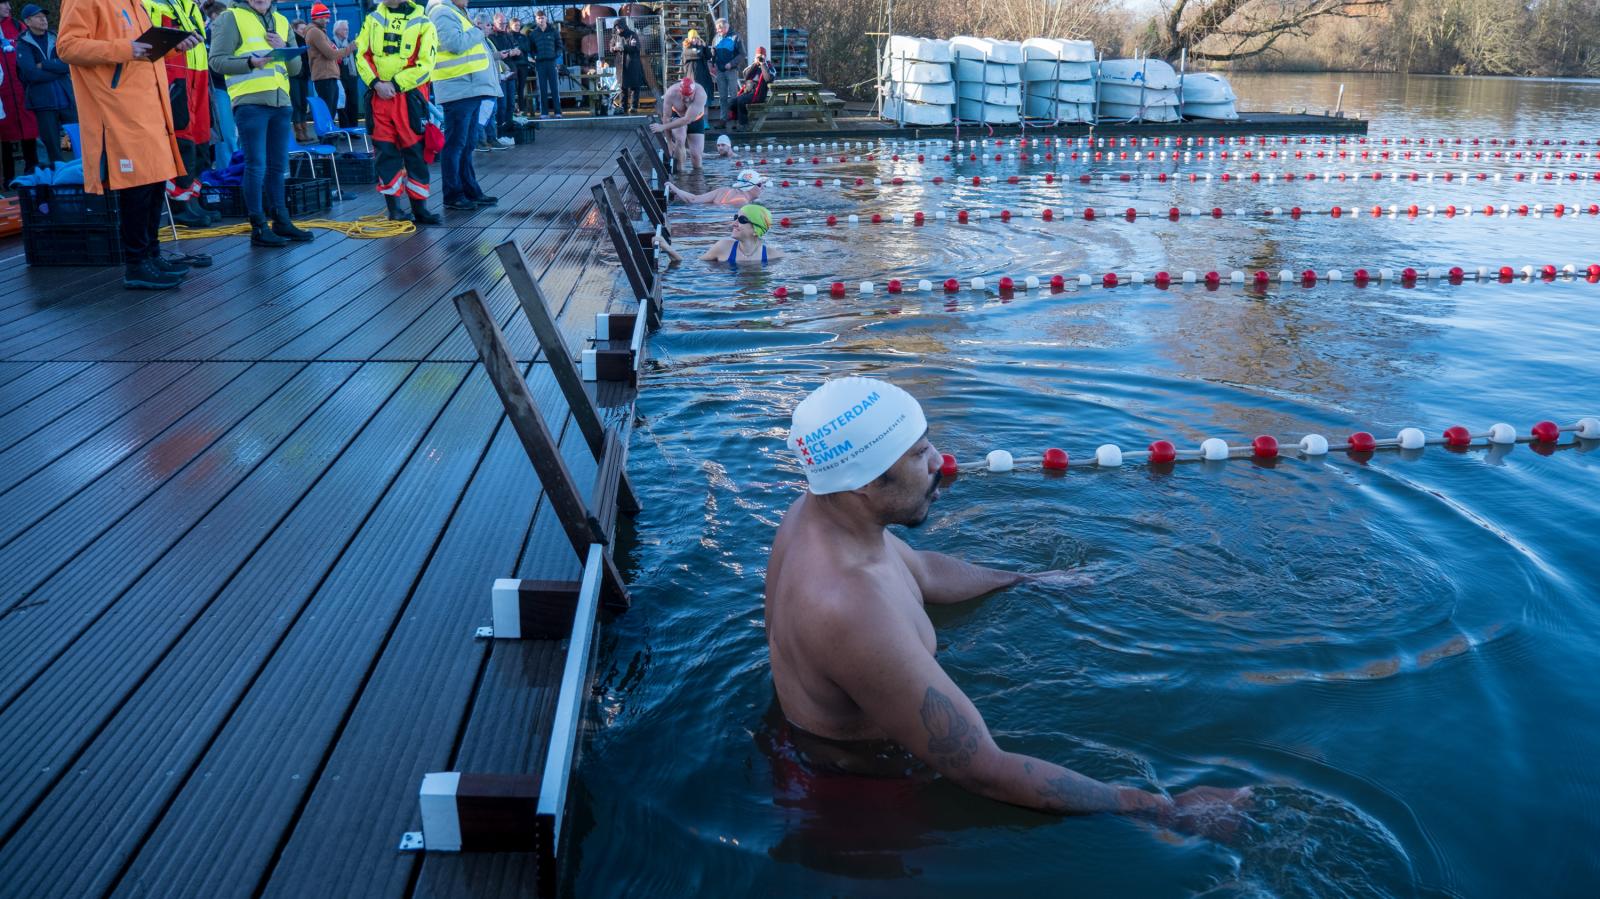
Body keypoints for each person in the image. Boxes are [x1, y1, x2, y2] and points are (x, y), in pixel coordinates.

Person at [765, 377, 1251, 831]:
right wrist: (1162, 810)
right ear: (866, 482)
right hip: (860, 803)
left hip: (818, 747)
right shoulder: (851, 610)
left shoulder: (821, 516)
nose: (938, 462)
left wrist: (1024, 580)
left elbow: (923, 572)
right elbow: (983, 770)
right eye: (918, 454)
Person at [57, 0, 203, 288]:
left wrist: (173, 46)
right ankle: (137, 264)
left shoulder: (134, 2)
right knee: (138, 186)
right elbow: (67, 47)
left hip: (148, 106)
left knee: (155, 181)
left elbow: (143, 47)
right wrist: (125, 48)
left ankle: (151, 256)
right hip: (119, 109)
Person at [210, 0, 314, 246]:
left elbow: (295, 68)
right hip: (250, 103)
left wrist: (284, 46)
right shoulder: (230, 17)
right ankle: (258, 227)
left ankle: (281, 220)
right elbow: (216, 61)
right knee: (256, 166)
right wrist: (250, 62)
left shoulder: (282, 21)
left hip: (281, 102)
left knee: (278, 166)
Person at [357, 0, 439, 224]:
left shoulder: (423, 22)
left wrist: (395, 84)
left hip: (409, 98)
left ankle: (420, 210)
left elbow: (426, 63)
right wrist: (376, 83)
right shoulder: (372, 19)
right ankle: (394, 211)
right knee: (385, 153)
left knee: (415, 153)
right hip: (379, 98)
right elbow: (361, 54)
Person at [142, 0, 212, 225]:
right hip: (174, 70)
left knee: (201, 137)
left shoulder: (187, 4)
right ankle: (179, 204)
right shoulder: (149, 3)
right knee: (181, 137)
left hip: (197, 72)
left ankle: (193, 198)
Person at [426, 0, 496, 211]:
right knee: (456, 144)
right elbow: (454, 44)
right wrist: (478, 32)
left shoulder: (456, 12)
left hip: (468, 87)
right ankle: (453, 194)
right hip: (457, 88)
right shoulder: (441, 12)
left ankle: (470, 190)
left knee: (467, 144)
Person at [14, 4, 72, 171]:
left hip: (67, 98)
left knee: (78, 140)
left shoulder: (56, 37)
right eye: (38, 17)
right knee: (53, 148)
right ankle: (59, 178)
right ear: (28, 21)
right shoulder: (23, 44)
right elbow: (31, 74)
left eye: (44, 16)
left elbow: (69, 64)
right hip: (43, 102)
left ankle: (85, 175)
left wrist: (44, 65)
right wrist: (58, 70)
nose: (43, 20)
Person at [0, 0, 40, 184]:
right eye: (4, 4)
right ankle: (8, 179)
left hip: (22, 89)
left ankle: (33, 173)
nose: (9, 8)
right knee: (4, 136)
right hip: (3, 94)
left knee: (29, 130)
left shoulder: (18, 26)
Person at [302, 3, 351, 132]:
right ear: (317, 17)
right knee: (328, 113)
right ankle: (327, 140)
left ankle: (329, 139)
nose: (328, 21)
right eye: (325, 17)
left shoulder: (318, 32)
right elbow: (331, 54)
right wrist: (349, 48)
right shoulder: (315, 32)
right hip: (325, 77)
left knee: (330, 113)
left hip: (327, 77)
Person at [201, 0, 237, 165]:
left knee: (234, 135)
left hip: (235, 87)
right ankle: (227, 173)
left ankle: (235, 169)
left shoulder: (229, 32)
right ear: (214, 16)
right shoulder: (208, 35)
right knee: (226, 135)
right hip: (220, 89)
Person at [651, 75, 705, 173]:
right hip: (677, 116)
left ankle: (697, 179)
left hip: (695, 119)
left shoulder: (701, 94)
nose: (686, 100)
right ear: (679, 92)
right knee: (680, 139)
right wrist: (669, 141)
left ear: (694, 92)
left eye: (689, 96)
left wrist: (662, 127)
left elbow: (687, 120)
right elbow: (666, 117)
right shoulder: (671, 93)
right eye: (684, 96)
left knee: (696, 156)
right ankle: (681, 174)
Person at [698, 202, 781, 265]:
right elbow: (699, 265)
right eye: (735, 218)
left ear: (756, 230)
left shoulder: (772, 255)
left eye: (742, 220)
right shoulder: (722, 247)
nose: (734, 223)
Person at [725, 45, 774, 131]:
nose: (759, 58)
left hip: (759, 94)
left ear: (765, 57)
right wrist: (755, 64)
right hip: (748, 92)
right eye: (758, 56)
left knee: (741, 101)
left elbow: (768, 79)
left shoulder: (769, 67)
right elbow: (746, 76)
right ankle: (738, 121)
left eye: (761, 56)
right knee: (732, 102)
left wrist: (763, 64)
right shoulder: (753, 66)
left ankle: (743, 125)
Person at [485, 13, 518, 132]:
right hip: (500, 75)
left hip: (511, 73)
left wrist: (516, 52)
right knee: (502, 105)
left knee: (511, 104)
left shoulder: (508, 35)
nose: (503, 25)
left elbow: (517, 50)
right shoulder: (490, 37)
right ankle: (500, 130)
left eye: (505, 23)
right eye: (501, 23)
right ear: (494, 23)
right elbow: (496, 54)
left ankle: (509, 129)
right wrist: (509, 53)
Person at [666, 167, 764, 205]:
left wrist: (676, 189)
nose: (762, 187)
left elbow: (693, 199)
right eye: (759, 185)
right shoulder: (742, 202)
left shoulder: (724, 190)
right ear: (750, 187)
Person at [525, 8, 558, 118]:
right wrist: (534, 56)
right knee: (542, 89)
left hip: (551, 62)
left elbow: (560, 46)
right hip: (540, 64)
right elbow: (531, 49)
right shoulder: (533, 34)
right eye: (539, 18)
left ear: (546, 18)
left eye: (542, 18)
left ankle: (558, 112)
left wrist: (555, 55)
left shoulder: (553, 31)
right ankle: (544, 113)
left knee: (554, 88)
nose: (541, 20)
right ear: (536, 20)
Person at [709, 17, 741, 118]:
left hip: (731, 70)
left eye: (719, 28)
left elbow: (742, 54)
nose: (718, 31)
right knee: (722, 97)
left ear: (725, 27)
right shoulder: (716, 38)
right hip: (720, 71)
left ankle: (735, 117)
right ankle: (723, 118)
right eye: (717, 29)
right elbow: (713, 52)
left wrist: (731, 64)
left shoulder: (735, 37)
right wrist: (713, 64)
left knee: (733, 95)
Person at [610, 20, 644, 115]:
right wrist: (614, 48)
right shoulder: (615, 36)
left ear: (624, 26)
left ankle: (634, 107)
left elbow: (636, 47)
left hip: (632, 64)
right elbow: (611, 47)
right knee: (622, 87)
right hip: (620, 65)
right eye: (617, 28)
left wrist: (624, 47)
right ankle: (623, 107)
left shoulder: (632, 34)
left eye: (619, 28)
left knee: (634, 87)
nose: (618, 30)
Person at [331, 18, 359, 127]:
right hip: (339, 77)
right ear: (337, 31)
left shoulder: (350, 42)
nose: (347, 31)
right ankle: (345, 129)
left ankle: (354, 128)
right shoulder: (332, 43)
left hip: (352, 76)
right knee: (343, 104)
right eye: (344, 29)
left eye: (347, 29)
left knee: (353, 103)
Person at [682, 28, 712, 109]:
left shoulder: (700, 47)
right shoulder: (686, 48)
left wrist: (705, 46)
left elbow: (709, 56)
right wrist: (700, 46)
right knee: (695, 99)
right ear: (689, 39)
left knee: (704, 99)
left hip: (703, 77)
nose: (694, 39)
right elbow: (698, 54)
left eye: (696, 38)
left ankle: (704, 116)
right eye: (692, 38)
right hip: (693, 77)